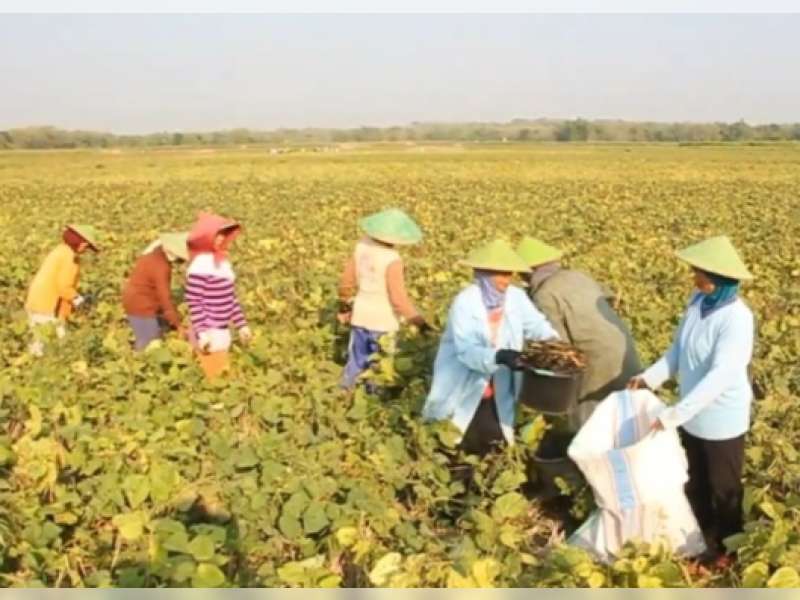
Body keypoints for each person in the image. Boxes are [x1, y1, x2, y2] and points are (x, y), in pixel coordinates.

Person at [628, 235, 755, 566]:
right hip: (691, 414)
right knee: (693, 480)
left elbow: (721, 376)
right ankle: (699, 537)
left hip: (722, 418)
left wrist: (673, 414)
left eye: (697, 271)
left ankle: (729, 548)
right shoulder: (697, 302)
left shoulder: (737, 318)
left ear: (713, 277)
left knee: (723, 487)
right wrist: (649, 378)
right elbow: (678, 351)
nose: (693, 276)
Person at [423, 240, 559, 457]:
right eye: (500, 275)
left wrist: (555, 344)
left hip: (499, 382)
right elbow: (467, 350)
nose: (506, 280)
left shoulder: (516, 297)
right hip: (464, 379)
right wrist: (499, 356)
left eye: (509, 274)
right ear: (483, 274)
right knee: (456, 438)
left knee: (495, 437)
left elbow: (537, 326)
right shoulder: (466, 302)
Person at [516, 237, 642, 427]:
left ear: (527, 273)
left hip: (596, 362)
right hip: (625, 350)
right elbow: (608, 299)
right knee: (627, 417)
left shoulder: (545, 294)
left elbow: (558, 345)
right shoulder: (578, 276)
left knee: (589, 423)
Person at [338, 208, 430, 390]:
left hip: (361, 315)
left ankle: (344, 396)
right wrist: (420, 323)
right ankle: (372, 402)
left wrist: (344, 307)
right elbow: (398, 299)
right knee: (380, 367)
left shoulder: (361, 246)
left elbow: (346, 282)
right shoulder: (392, 259)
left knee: (356, 361)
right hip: (383, 321)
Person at [185, 212, 251, 379]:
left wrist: (241, 325)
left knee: (223, 377)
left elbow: (231, 299)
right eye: (216, 235)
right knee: (216, 381)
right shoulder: (200, 265)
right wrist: (202, 333)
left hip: (222, 330)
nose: (220, 239)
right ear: (207, 237)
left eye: (223, 235)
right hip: (208, 332)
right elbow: (195, 302)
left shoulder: (223, 263)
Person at [25, 224, 100, 356]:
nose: (85, 249)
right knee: (58, 347)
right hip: (49, 306)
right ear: (80, 242)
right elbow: (64, 287)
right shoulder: (70, 258)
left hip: (36, 302)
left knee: (37, 344)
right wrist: (80, 301)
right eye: (86, 245)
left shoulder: (59, 250)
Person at [122, 232, 189, 351]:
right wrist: (178, 326)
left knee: (157, 332)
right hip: (141, 305)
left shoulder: (155, 252)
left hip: (134, 298)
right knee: (151, 346)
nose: (181, 263)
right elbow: (165, 299)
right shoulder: (161, 266)